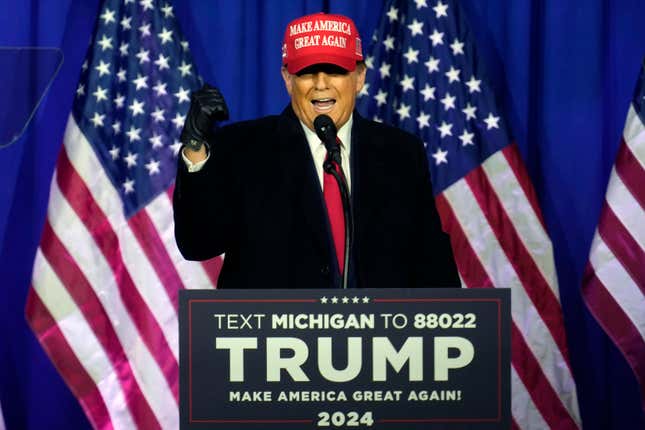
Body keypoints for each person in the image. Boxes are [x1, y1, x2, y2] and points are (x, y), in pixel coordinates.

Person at [173, 12, 459, 289]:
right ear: (288, 79)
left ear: (359, 77)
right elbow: (198, 243)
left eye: (335, 70)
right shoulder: (243, 147)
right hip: (274, 336)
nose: (321, 84)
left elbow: (430, 264)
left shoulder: (400, 153)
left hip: (378, 335)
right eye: (307, 72)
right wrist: (196, 147)